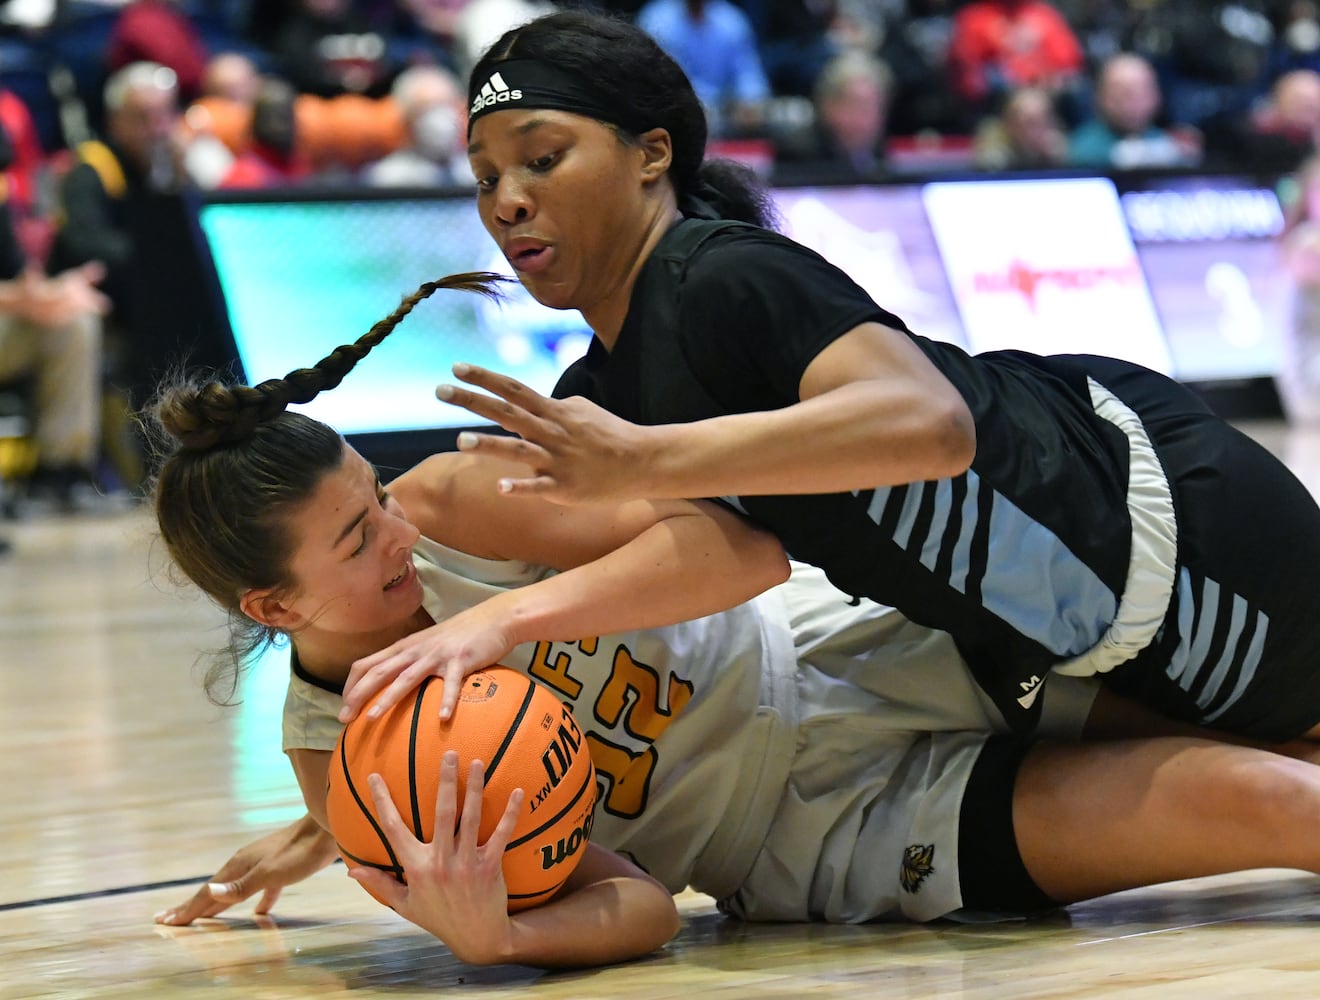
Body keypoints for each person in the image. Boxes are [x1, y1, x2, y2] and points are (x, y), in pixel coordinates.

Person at [149, 274, 1320, 969]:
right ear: (274, 605)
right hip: (809, 836)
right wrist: (496, 937)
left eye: (371, 491)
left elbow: (747, 546)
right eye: (356, 540)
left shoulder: (450, 504)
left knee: (1287, 743)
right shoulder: (339, 757)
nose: (393, 530)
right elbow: (644, 905)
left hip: (848, 647)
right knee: (1267, 803)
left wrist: (504, 625)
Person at [348, 9, 1320, 753]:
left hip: (1172, 534)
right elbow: (733, 559)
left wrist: (645, 458)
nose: (508, 199)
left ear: (652, 155)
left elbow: (930, 424)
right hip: (1071, 620)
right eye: (483, 179)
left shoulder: (724, 273)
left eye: (543, 159)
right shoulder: (602, 385)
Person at [1067, 53, 1200, 170]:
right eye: (1124, 93)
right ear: (1101, 97)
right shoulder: (1081, 147)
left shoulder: (1164, 140)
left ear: (1157, 96)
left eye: (1143, 91)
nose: (1134, 102)